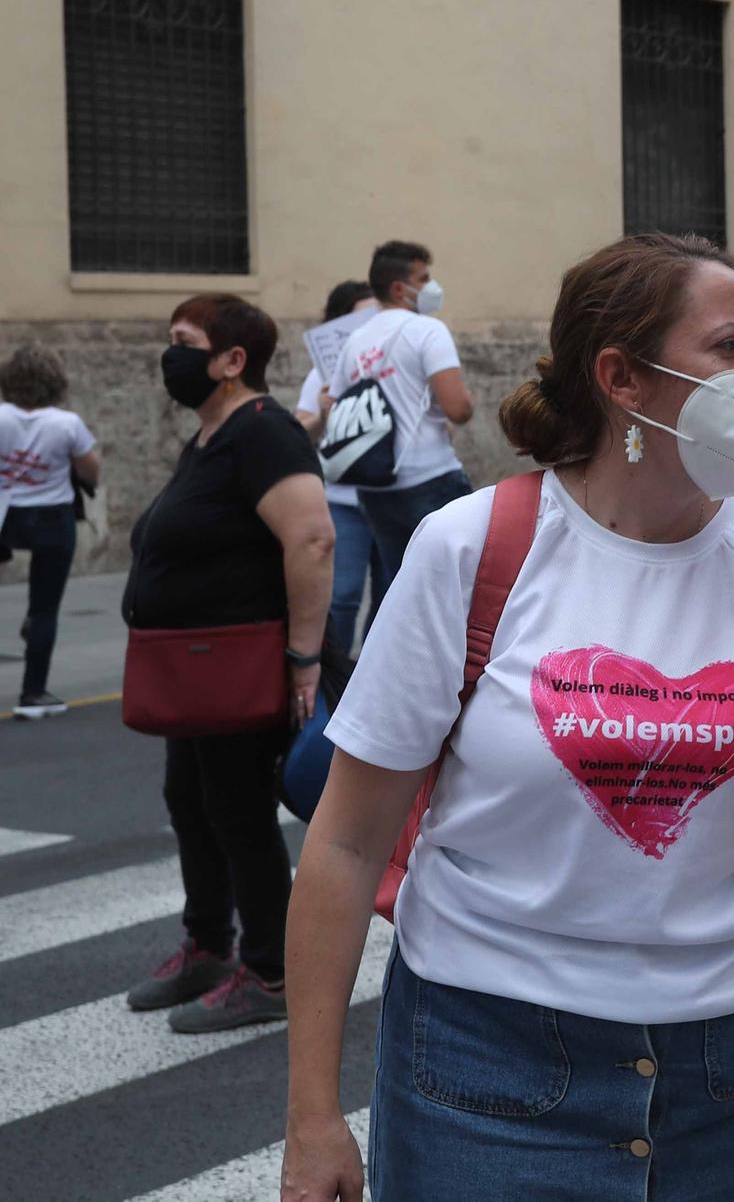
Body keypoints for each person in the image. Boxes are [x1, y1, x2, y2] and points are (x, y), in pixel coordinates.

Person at [281, 233, 734, 1202]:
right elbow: (347, 846)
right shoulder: (470, 548)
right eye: (731, 346)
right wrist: (312, 1118)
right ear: (623, 379)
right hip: (487, 1080)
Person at [122, 294, 333, 1031]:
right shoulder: (210, 437)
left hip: (243, 664)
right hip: (194, 670)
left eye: (184, 341)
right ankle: (208, 943)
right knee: (191, 800)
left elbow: (312, 540)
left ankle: (271, 971)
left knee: (239, 812)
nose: (170, 355)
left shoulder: (264, 432)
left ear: (231, 360)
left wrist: (303, 660)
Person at [330, 239, 475, 586]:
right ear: (399, 288)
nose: (431, 287)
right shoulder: (427, 329)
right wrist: (465, 401)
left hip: (376, 487)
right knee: (459, 587)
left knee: (403, 588)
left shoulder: (355, 340)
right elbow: (457, 409)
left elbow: (337, 402)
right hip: (431, 477)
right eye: (423, 279)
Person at [0, 345, 102, 718]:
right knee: (44, 608)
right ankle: (33, 694)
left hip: (4, 517)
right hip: (50, 518)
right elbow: (91, 471)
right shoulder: (66, 423)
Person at [295, 283, 386, 655]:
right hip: (343, 502)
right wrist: (322, 410)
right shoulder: (323, 375)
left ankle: (373, 681)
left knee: (390, 599)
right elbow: (299, 431)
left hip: (392, 499)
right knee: (342, 596)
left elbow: (444, 423)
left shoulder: (397, 365)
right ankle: (333, 678)